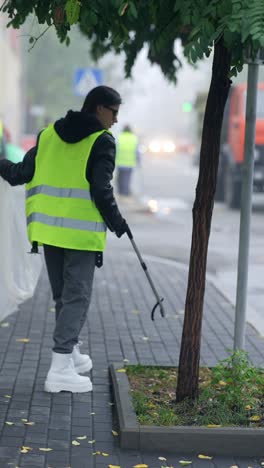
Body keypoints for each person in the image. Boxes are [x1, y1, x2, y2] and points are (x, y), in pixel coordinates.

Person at [0, 85, 129, 393]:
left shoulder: (48, 136)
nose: (115, 120)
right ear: (99, 108)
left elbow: (19, 173)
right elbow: (101, 189)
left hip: (48, 233)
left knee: (64, 297)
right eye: (114, 113)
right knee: (77, 297)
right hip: (81, 235)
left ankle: (69, 352)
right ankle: (59, 368)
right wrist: (117, 222)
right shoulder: (102, 140)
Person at [116, 124, 139, 196]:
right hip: (130, 163)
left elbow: (115, 149)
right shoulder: (134, 138)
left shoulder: (119, 137)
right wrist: (138, 161)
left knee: (120, 178)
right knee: (127, 179)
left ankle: (121, 192)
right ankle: (125, 192)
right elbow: (137, 151)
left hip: (120, 162)